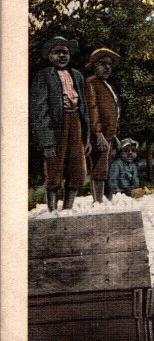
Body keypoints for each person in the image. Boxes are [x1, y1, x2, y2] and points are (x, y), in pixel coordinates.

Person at [30, 36, 90, 212]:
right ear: (50, 56)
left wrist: (85, 138)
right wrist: (47, 141)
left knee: (77, 168)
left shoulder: (77, 75)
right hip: (57, 126)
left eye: (65, 52)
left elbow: (84, 107)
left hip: (76, 123)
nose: (62, 56)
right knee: (54, 168)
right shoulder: (44, 76)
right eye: (57, 52)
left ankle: (68, 209)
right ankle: (51, 210)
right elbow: (39, 110)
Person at [85, 48, 121, 203]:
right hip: (98, 135)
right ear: (94, 66)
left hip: (108, 135)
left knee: (105, 167)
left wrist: (113, 135)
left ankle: (103, 199)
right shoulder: (91, 83)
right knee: (99, 168)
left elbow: (112, 113)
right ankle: (97, 201)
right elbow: (92, 108)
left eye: (109, 65)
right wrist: (98, 134)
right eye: (102, 64)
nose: (107, 67)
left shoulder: (106, 85)